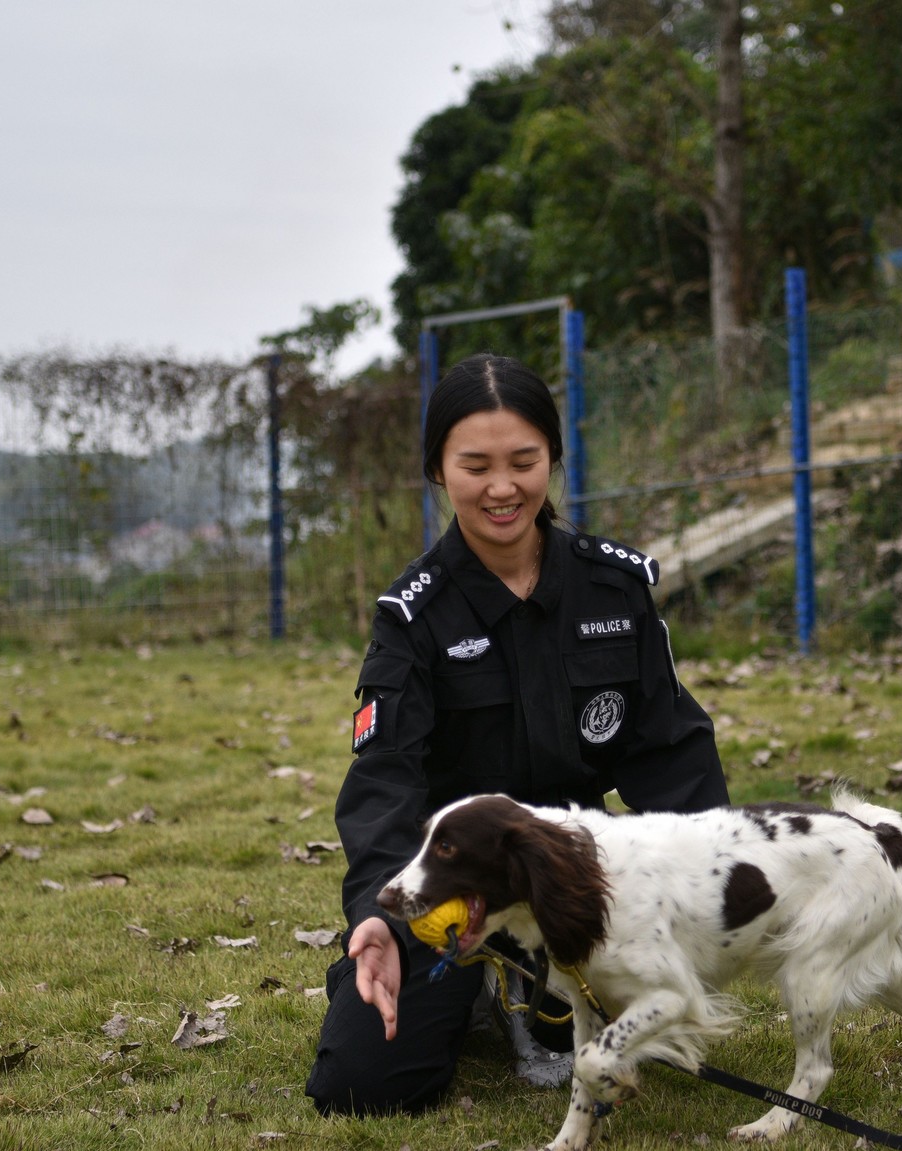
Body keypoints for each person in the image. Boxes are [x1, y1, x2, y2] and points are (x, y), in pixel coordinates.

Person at [306, 352, 729, 1118]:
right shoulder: (413, 616)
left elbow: (672, 751)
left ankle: (540, 991)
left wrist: (708, 884)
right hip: (455, 884)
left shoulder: (615, 587)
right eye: (475, 464)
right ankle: (474, 985)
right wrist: (374, 910)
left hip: (575, 875)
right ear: (438, 471)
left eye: (524, 461)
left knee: (646, 1016)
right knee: (362, 1084)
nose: (502, 487)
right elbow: (384, 778)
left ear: (554, 461)